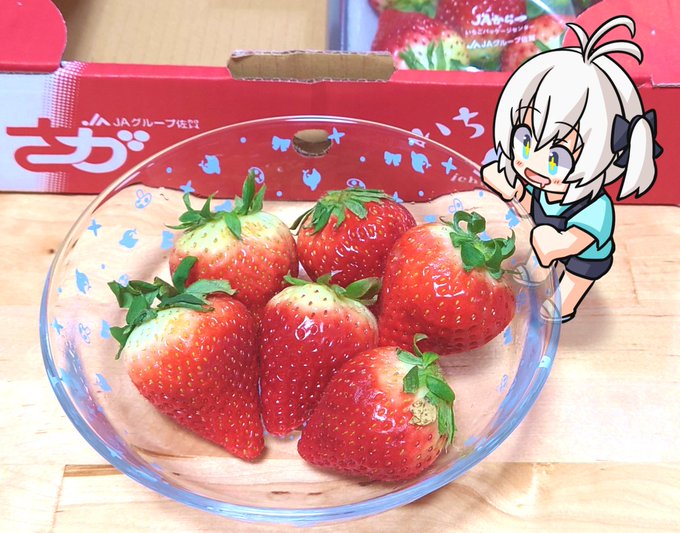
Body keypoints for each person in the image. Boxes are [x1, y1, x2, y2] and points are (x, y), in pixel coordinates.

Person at [482, 15, 662, 323]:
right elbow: (529, 205)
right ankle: (538, 270)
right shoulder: (542, 185)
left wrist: (555, 244)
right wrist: (509, 188)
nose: (533, 162)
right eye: (524, 140)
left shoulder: (596, 209)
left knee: (571, 284)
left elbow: (574, 241)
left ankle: (565, 303)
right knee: (539, 255)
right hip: (546, 236)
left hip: (584, 256)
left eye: (557, 157)